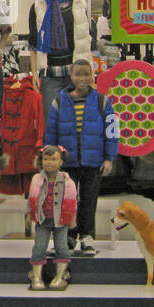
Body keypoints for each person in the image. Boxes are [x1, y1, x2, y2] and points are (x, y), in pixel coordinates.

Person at [44, 58, 117, 255]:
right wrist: (51, 159)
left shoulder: (102, 101)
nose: (82, 78)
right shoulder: (59, 101)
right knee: (67, 201)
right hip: (66, 163)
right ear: (71, 76)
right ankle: (67, 237)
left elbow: (111, 131)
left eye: (86, 74)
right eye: (78, 74)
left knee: (89, 200)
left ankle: (87, 237)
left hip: (93, 163)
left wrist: (109, 157)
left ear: (93, 76)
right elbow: (50, 132)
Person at [27, 0, 91, 115]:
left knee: (78, 120)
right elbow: (33, 43)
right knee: (53, 121)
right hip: (50, 75)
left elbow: (86, 40)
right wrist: (35, 73)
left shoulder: (78, 3)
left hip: (76, 73)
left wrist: (91, 73)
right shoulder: (38, 6)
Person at [26, 146, 78, 290]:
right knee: (39, 247)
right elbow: (31, 198)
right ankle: (36, 277)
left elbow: (72, 201)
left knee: (62, 247)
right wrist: (29, 215)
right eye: (46, 159)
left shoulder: (68, 181)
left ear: (61, 162)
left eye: (53, 159)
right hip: (42, 220)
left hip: (61, 221)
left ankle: (59, 276)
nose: (49, 162)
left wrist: (72, 218)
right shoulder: (36, 179)